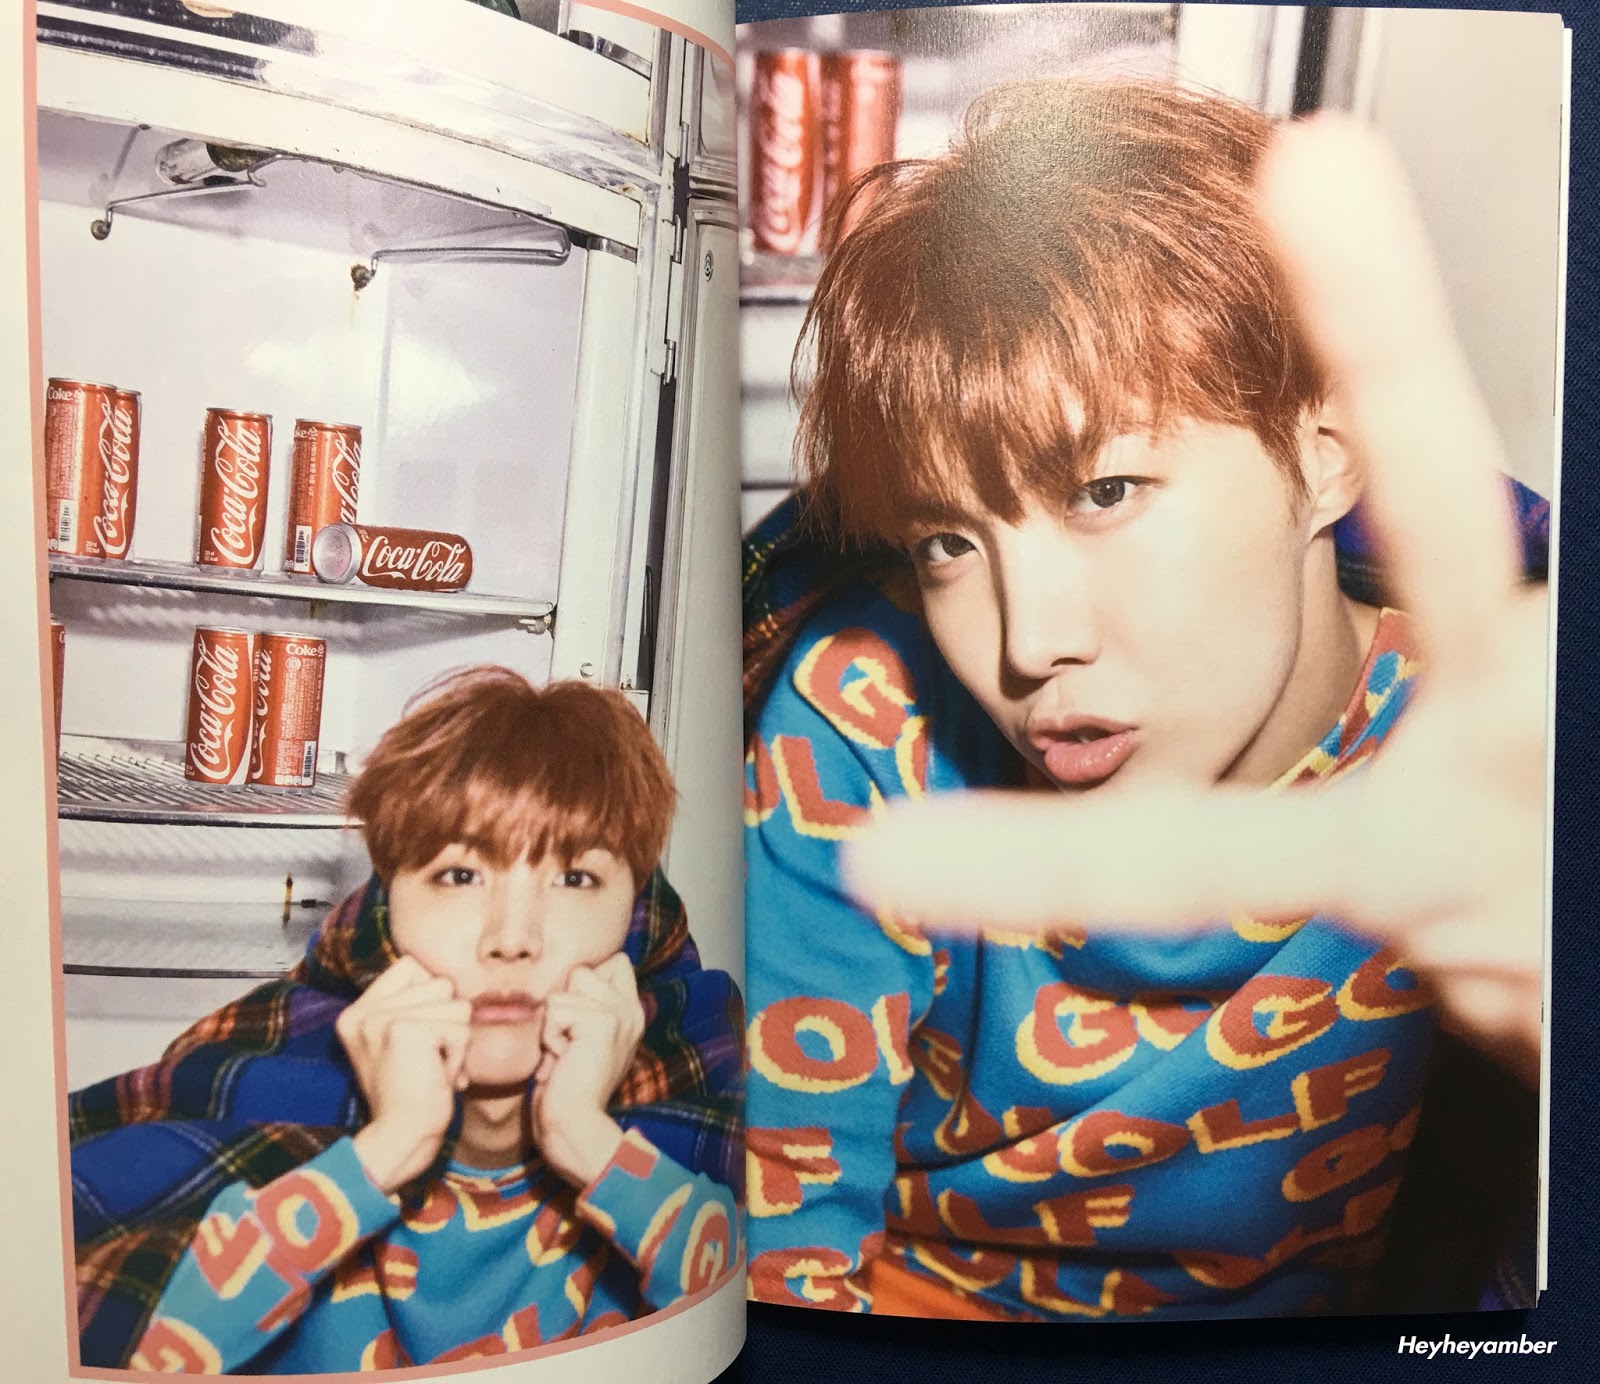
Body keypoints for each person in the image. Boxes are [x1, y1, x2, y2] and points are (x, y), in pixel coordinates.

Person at [742, 77, 1547, 1322]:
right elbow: (780, 1255)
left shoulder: (1482, 746)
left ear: (1325, 458)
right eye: (947, 542)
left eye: (1105, 492)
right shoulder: (862, 718)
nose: (1031, 643)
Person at [70, 670, 744, 1372]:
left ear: (632, 916)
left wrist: (589, 1143)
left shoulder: (707, 1103)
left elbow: (739, 1327)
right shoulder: (260, 1081)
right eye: (460, 876)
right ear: (389, 911)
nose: (512, 938)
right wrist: (388, 1150)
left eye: (575, 879)